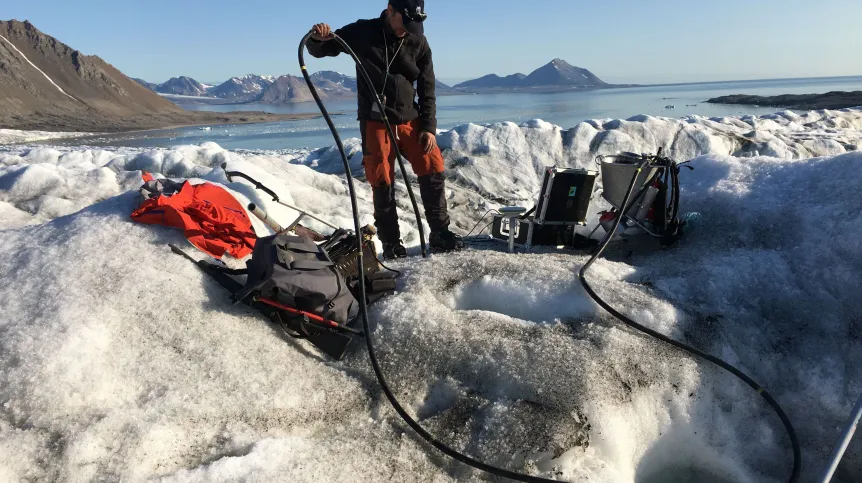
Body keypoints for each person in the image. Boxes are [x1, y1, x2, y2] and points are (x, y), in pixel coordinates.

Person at [307, 0, 464, 260]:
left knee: (432, 165)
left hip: (410, 119)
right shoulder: (362, 32)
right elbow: (324, 49)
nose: (409, 30)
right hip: (375, 121)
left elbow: (427, 87)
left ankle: (439, 233)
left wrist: (428, 127)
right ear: (390, 10)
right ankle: (391, 242)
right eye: (405, 23)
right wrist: (317, 38)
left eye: (415, 25)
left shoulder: (418, 41)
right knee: (381, 178)